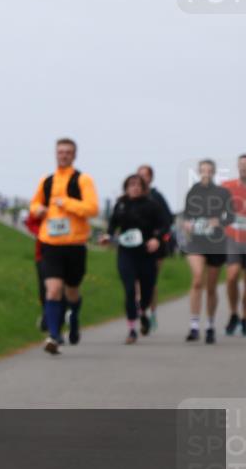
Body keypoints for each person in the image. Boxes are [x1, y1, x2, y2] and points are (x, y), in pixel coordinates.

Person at [29, 138, 99, 355]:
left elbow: (92, 208)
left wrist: (66, 202)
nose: (64, 155)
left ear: (74, 155)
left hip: (75, 244)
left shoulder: (83, 180)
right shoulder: (47, 180)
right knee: (52, 290)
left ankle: (74, 316)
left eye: (68, 152)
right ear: (55, 154)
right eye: (60, 152)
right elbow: (34, 204)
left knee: (72, 291)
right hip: (50, 243)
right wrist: (38, 210)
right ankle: (53, 335)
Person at [99, 174, 170, 344]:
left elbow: (164, 225)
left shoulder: (152, 205)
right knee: (130, 290)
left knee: (147, 292)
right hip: (126, 253)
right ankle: (131, 329)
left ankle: (142, 311)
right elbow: (112, 224)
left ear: (144, 188)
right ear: (126, 188)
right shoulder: (121, 204)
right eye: (131, 185)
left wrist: (156, 239)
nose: (135, 187)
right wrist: (107, 236)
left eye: (138, 185)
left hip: (146, 253)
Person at [181, 159, 233, 344]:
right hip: (196, 242)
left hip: (216, 243)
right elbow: (186, 214)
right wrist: (187, 224)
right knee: (197, 280)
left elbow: (230, 216)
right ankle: (194, 326)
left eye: (209, 170)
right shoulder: (193, 192)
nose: (206, 173)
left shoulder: (223, 193)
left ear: (214, 172)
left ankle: (210, 325)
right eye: (203, 170)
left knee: (211, 287)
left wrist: (219, 222)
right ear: (199, 172)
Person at [136, 164, 175, 330]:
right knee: (137, 280)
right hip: (136, 245)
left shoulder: (157, 197)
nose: (142, 178)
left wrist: (158, 234)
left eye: (145, 175)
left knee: (150, 281)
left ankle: (152, 312)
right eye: (139, 175)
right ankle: (141, 312)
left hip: (156, 245)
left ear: (151, 178)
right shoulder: (132, 196)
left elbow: (168, 219)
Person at [221, 154, 246, 336]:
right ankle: (233, 313)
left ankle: (244, 317)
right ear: (237, 167)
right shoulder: (227, 186)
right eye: (241, 165)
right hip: (233, 238)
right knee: (232, 276)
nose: (244, 168)